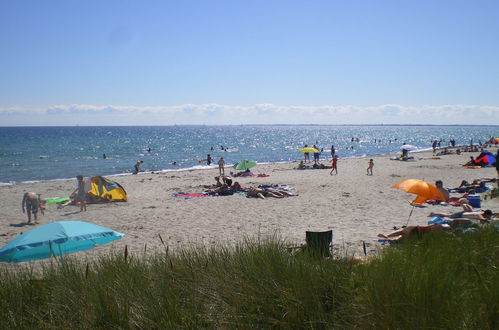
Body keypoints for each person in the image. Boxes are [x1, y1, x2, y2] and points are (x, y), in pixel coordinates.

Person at [377, 224, 450, 242]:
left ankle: (387, 237)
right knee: (401, 235)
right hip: (419, 235)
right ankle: (387, 237)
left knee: (402, 232)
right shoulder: (438, 232)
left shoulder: (436, 228)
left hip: (417, 232)